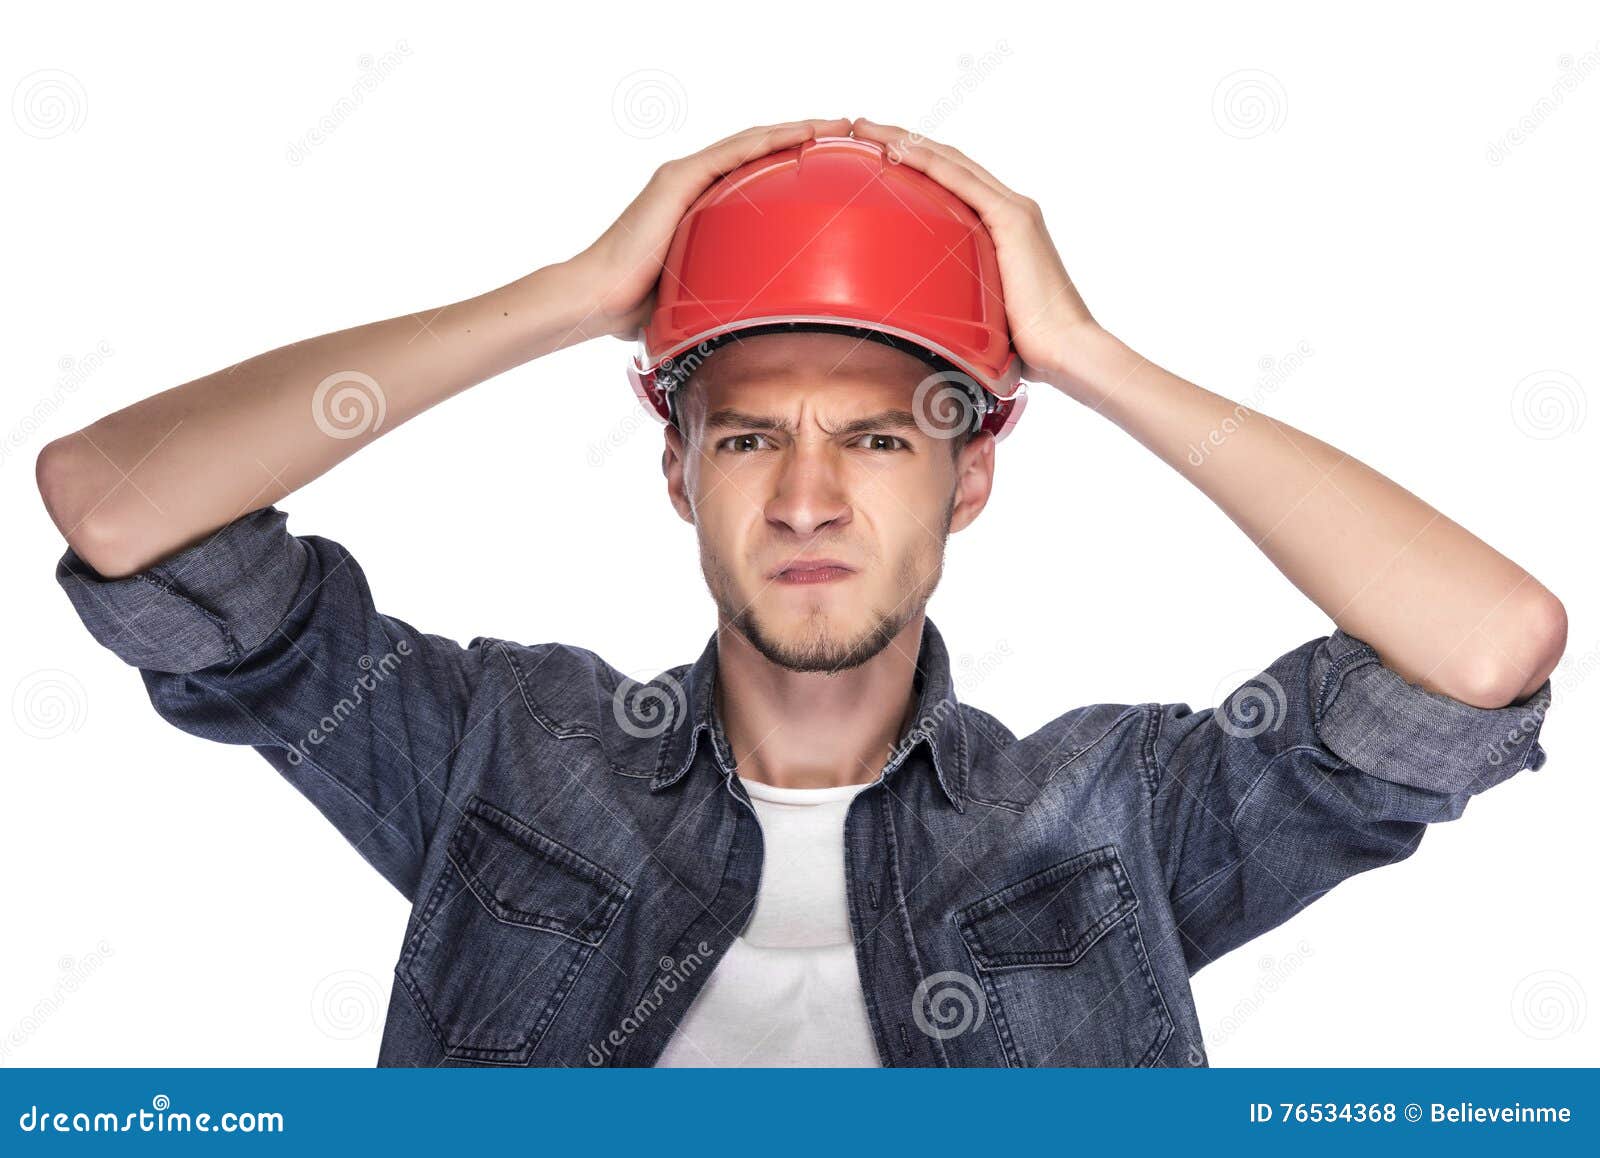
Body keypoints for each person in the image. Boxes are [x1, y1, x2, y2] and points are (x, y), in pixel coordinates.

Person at [37, 117, 1565, 1068]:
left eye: (885, 439)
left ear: (971, 479)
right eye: (752, 434)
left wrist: (1091, 356)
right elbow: (121, 506)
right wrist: (573, 299)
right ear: (678, 472)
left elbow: (1484, 646)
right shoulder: (496, 754)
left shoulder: (1115, 820)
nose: (811, 494)